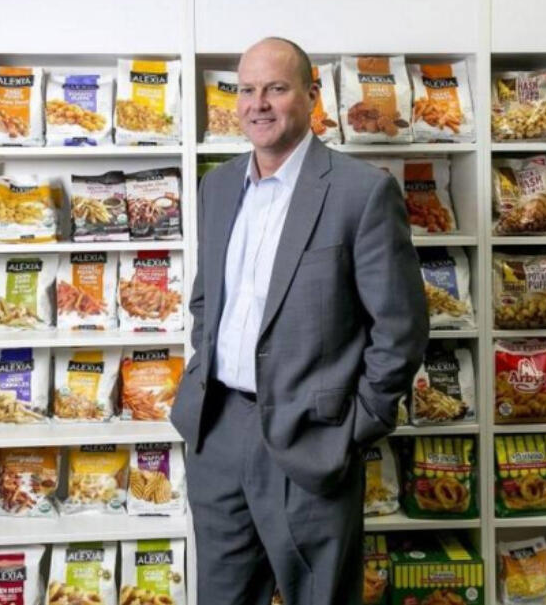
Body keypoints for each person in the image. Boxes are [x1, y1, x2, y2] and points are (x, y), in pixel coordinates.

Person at [169, 37, 429, 604]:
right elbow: (206, 301)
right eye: (246, 90)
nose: (257, 103)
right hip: (218, 434)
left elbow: (400, 328)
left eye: (276, 88)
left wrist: (357, 425)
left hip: (312, 443)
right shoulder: (216, 187)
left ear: (311, 97)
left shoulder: (362, 193)